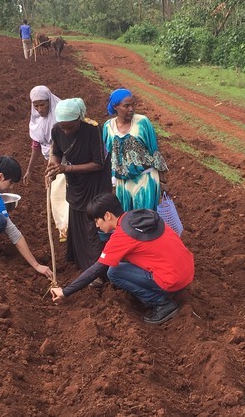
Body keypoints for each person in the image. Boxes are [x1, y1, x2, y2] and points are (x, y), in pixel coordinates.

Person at [50, 193, 194, 324]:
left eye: (96, 220)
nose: (96, 225)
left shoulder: (122, 235)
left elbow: (97, 269)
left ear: (107, 216)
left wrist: (65, 291)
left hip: (172, 281)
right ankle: (167, 291)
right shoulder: (140, 216)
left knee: (114, 272)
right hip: (187, 272)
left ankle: (162, 303)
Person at [45, 98, 112, 270]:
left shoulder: (93, 129)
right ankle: (81, 262)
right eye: (63, 127)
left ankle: (96, 268)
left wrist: (66, 169)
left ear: (80, 119)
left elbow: (99, 163)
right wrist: (53, 167)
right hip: (75, 182)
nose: (66, 132)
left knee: (93, 222)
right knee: (77, 218)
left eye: (71, 127)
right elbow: (57, 153)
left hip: (95, 181)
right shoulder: (57, 130)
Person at [103, 88, 168, 212]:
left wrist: (163, 181)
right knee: (126, 221)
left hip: (146, 179)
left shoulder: (142, 122)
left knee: (145, 220)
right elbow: (109, 155)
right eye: (126, 106)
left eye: (133, 105)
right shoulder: (108, 127)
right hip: (122, 183)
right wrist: (112, 180)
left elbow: (154, 151)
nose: (131, 109)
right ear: (115, 107)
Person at [23, 85, 69, 241]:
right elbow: (36, 147)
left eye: (42, 104)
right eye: (36, 105)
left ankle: (69, 227)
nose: (39, 109)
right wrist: (29, 170)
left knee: (64, 195)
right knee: (56, 197)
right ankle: (63, 229)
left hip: (68, 164)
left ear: (49, 101)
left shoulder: (61, 115)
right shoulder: (36, 121)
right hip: (52, 164)